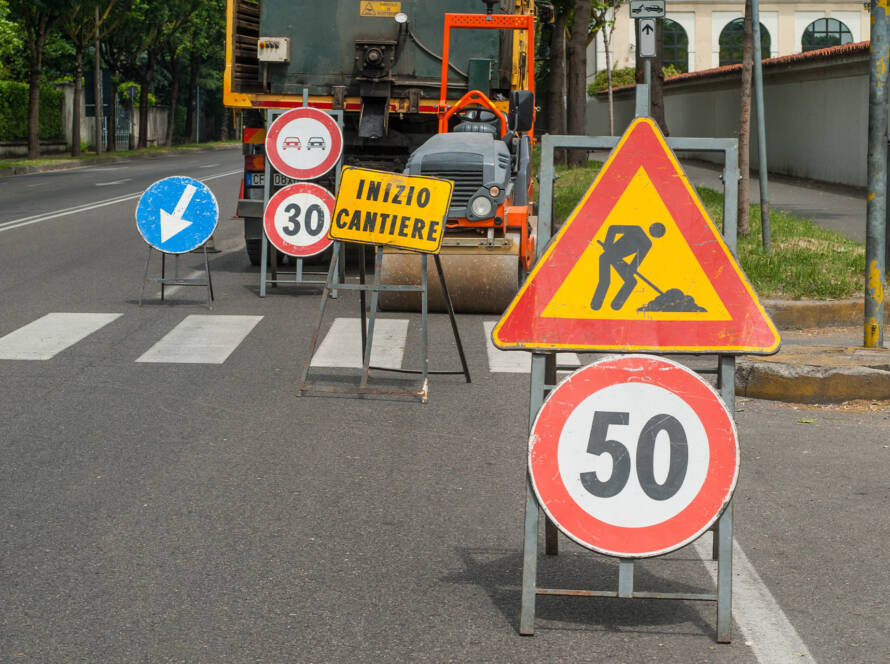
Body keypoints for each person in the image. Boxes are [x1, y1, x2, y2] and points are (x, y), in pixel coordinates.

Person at [591, 222, 665, 311]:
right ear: (651, 227)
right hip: (607, 256)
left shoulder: (647, 244)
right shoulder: (636, 229)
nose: (655, 232)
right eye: (655, 229)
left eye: (658, 231)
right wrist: (608, 244)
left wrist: (631, 269)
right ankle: (596, 304)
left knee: (631, 281)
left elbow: (637, 260)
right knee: (605, 281)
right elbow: (613, 228)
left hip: (618, 260)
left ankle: (616, 305)